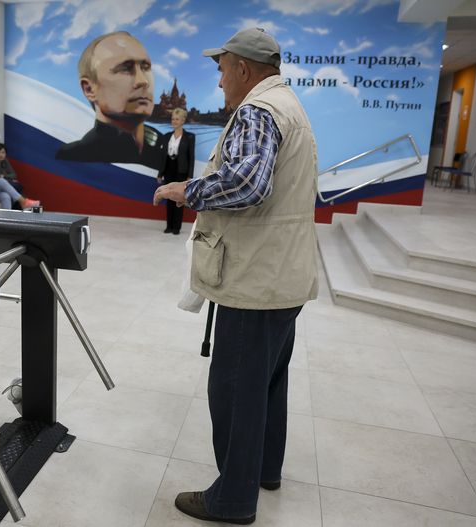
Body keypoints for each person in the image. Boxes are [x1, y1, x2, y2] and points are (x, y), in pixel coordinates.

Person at [153, 28, 318, 525]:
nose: (220, 80)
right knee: (267, 382)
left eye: (222, 68)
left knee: (234, 390)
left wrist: (189, 190)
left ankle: (232, 498)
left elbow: (249, 183)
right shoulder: (290, 105)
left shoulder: (256, 111)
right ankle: (264, 469)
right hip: (282, 274)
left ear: (244, 68)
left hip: (254, 279)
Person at [55, 31, 161, 169]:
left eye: (145, 67)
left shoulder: (164, 147)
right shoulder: (73, 156)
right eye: (125, 68)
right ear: (89, 89)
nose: (143, 81)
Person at [156, 107, 195, 235]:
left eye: (177, 119)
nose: (174, 121)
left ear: (183, 120)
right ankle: (169, 226)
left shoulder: (189, 137)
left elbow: (191, 157)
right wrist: (160, 173)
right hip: (169, 169)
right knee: (168, 198)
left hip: (182, 171)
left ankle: (176, 227)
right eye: (173, 119)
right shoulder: (167, 136)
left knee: (179, 199)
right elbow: (162, 157)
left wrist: (190, 175)